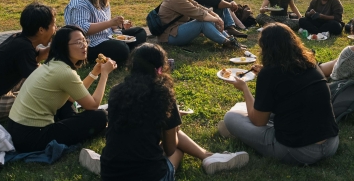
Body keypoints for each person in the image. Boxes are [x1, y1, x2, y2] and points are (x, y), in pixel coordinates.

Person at [90, 44, 249, 179]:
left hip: (110, 173)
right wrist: (173, 127)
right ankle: (208, 158)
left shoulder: (116, 92)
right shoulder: (162, 95)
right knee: (178, 148)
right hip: (150, 175)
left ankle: (208, 156)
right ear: (160, 68)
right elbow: (170, 148)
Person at [221, 23, 339, 165]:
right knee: (246, 107)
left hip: (299, 151)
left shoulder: (269, 74)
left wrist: (244, 88)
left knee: (231, 117)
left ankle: (237, 130)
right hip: (331, 143)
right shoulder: (311, 65)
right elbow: (290, 85)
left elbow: (259, 122)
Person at [7, 26, 113, 153]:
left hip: (16, 130)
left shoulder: (53, 64)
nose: (84, 45)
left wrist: (95, 73)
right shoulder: (64, 72)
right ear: (63, 46)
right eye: (78, 42)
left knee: (68, 103)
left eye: (85, 41)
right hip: (32, 138)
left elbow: (73, 96)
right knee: (100, 116)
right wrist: (105, 74)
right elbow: (93, 105)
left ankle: (75, 124)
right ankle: (77, 125)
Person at [0, 3, 55, 119]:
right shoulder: (24, 48)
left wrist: (53, 47)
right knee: (42, 100)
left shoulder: (19, 39)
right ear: (41, 30)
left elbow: (36, 57)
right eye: (54, 25)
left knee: (39, 74)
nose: (56, 29)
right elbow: (39, 81)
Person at [64, 0, 148, 66]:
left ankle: (131, 55)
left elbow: (105, 22)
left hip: (107, 36)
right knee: (122, 48)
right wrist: (110, 23)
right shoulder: (80, 2)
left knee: (140, 32)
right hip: (90, 43)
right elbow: (82, 29)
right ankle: (131, 54)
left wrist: (118, 25)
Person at [157, 0, 238, 48]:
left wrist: (216, 16)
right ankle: (227, 43)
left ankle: (229, 39)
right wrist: (218, 20)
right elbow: (200, 14)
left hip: (174, 31)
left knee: (207, 18)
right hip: (169, 36)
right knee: (202, 22)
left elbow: (199, 7)